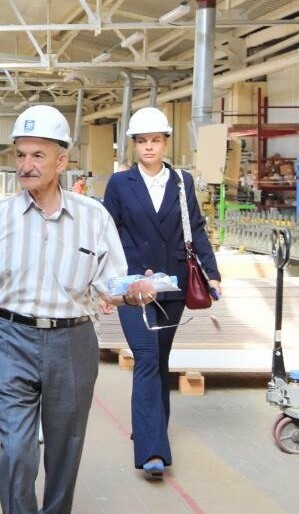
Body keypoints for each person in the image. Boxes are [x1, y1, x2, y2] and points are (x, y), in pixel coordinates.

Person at [0, 105, 157, 514]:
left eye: (38, 155)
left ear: (61, 161)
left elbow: (112, 285)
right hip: (11, 340)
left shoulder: (93, 217)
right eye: (21, 155)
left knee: (65, 449)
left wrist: (135, 292)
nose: (26, 165)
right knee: (16, 450)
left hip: (73, 342)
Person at [99, 107, 221, 479]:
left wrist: (212, 273)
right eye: (142, 141)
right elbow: (107, 234)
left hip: (172, 286)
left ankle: (150, 427)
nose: (149, 147)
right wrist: (104, 284)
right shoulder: (120, 184)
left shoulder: (182, 182)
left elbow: (195, 229)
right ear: (134, 145)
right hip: (131, 287)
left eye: (155, 140)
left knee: (160, 360)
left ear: (166, 141)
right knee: (147, 357)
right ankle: (152, 450)